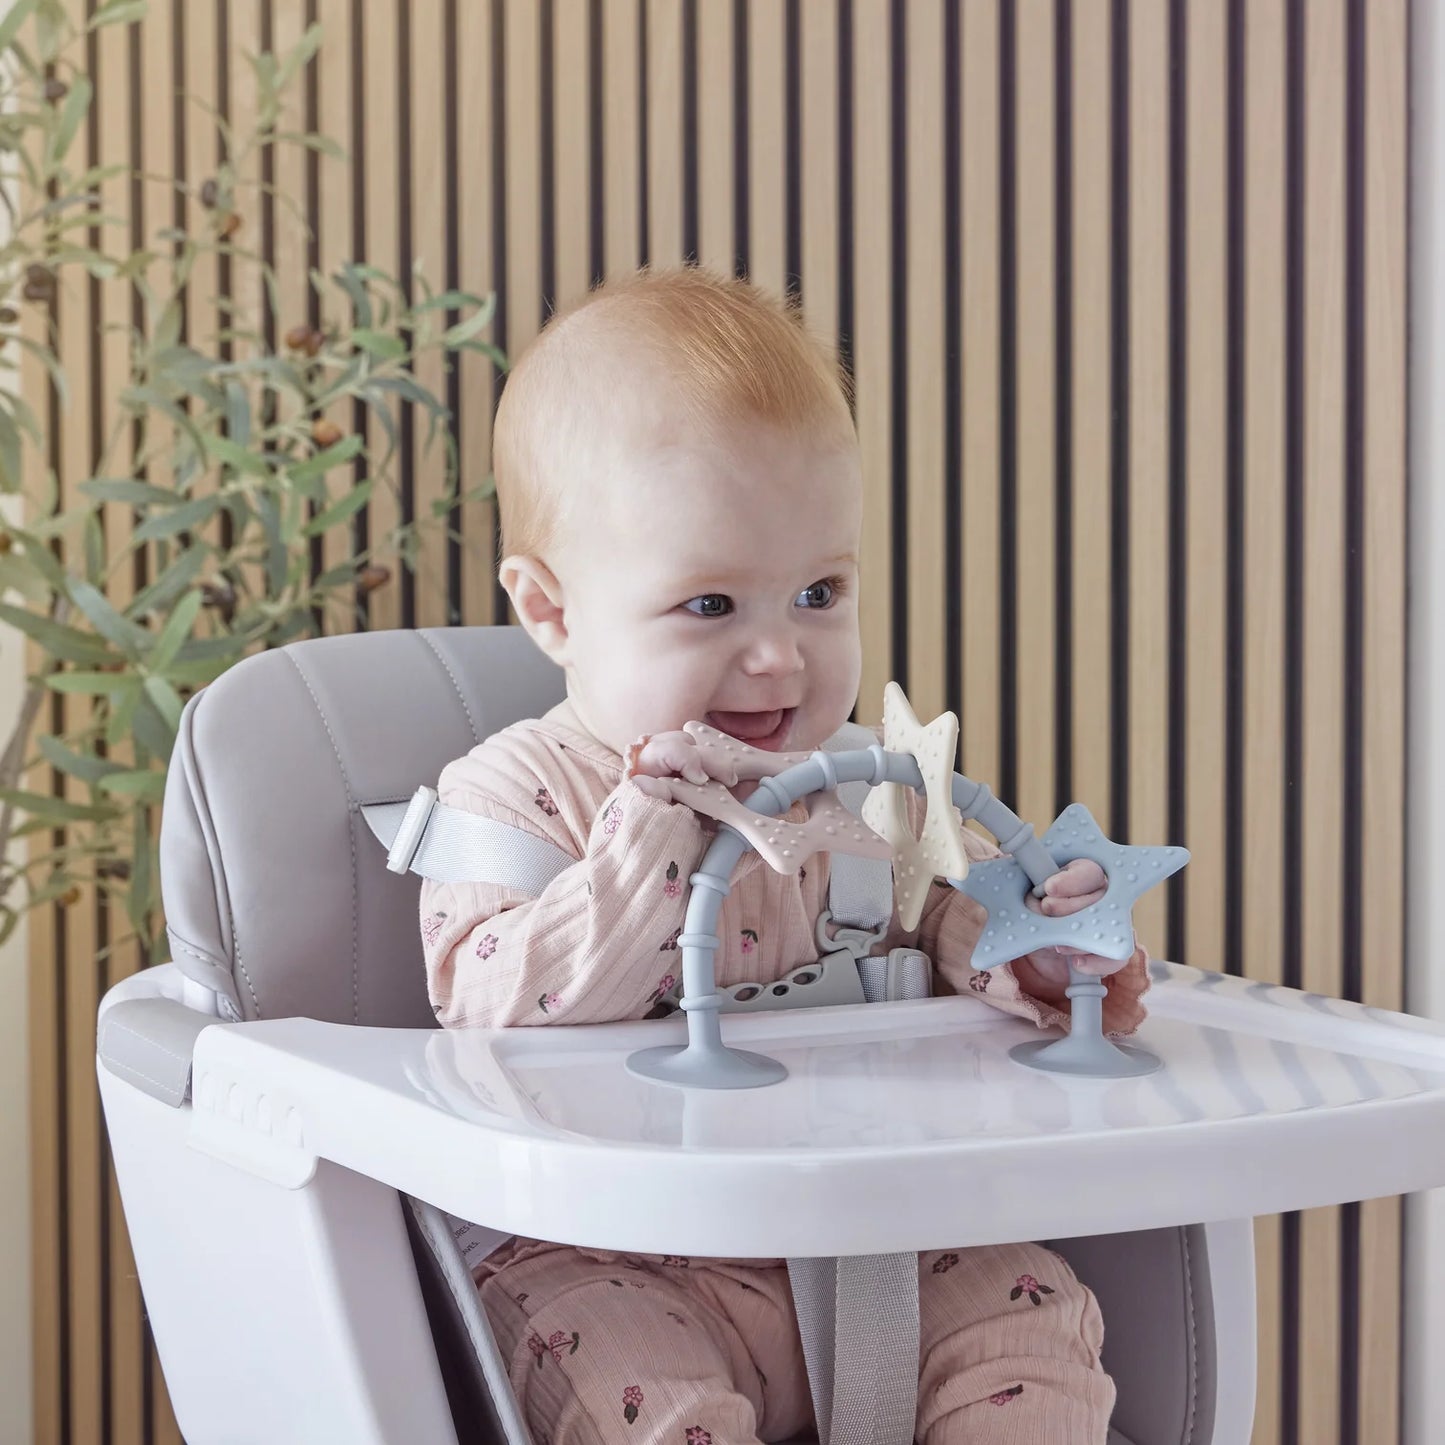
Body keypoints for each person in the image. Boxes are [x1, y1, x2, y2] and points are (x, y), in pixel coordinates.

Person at [421, 267, 1150, 1444]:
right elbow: (487, 1006)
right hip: (612, 1254)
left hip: (872, 1230)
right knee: (636, 1391)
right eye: (710, 604)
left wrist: (1045, 950)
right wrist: (652, 829)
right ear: (551, 611)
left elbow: (951, 917)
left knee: (1030, 1312)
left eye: (817, 591)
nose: (778, 657)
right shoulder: (508, 792)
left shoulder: (866, 785)